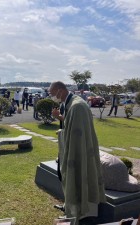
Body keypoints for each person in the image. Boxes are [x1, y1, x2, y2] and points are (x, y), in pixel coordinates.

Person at [49, 81, 105, 224]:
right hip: (76, 146)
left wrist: (62, 133)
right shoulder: (71, 103)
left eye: (52, 93)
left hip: (78, 150)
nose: (51, 97)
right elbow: (71, 124)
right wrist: (60, 118)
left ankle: (78, 213)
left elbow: (74, 134)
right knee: (64, 176)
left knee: (77, 177)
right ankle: (73, 210)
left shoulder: (77, 106)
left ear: (60, 91)